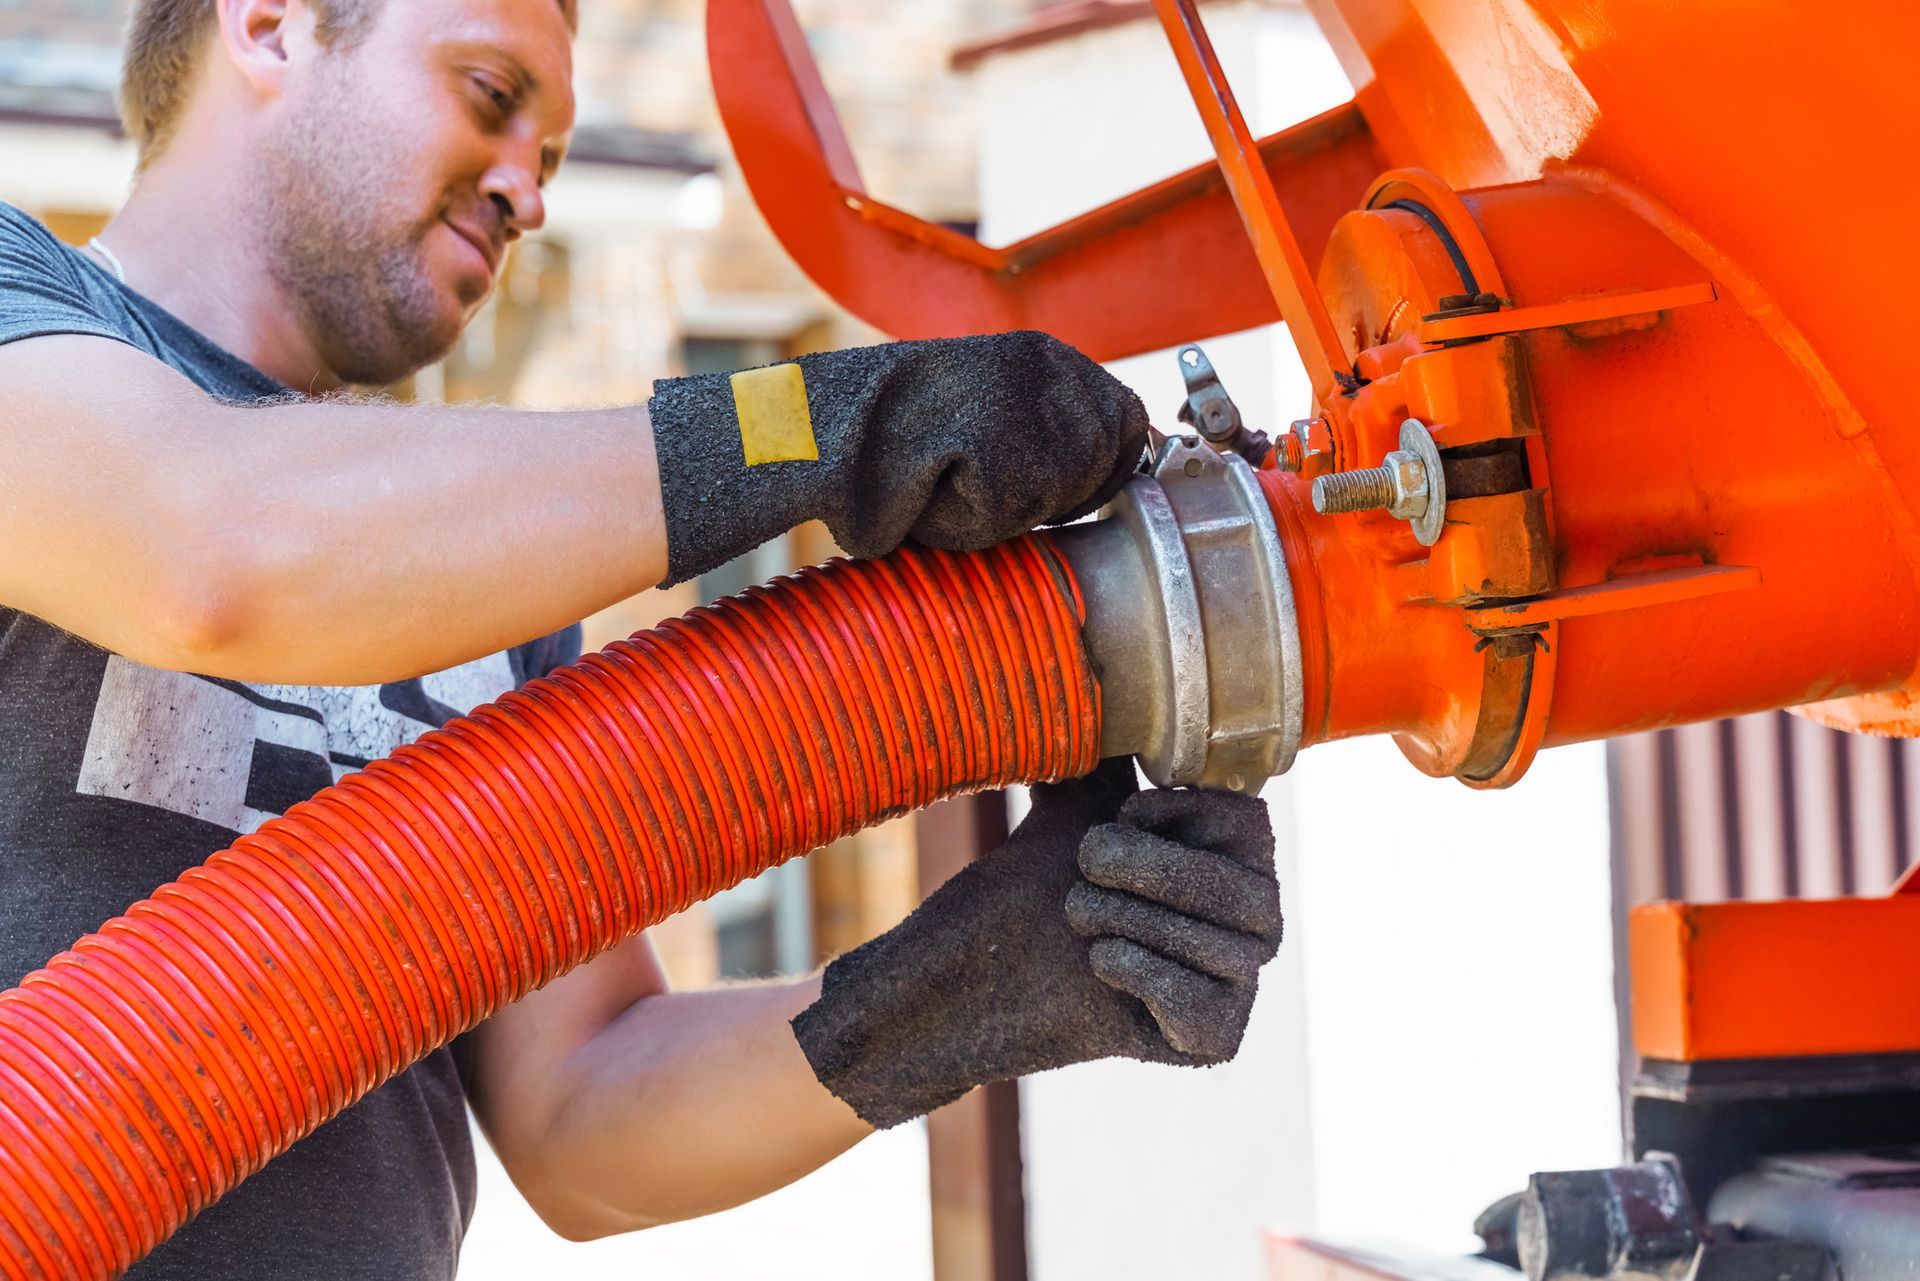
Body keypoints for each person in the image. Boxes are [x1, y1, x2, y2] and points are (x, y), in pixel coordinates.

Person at [0, 0, 1284, 1274]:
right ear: (273, 26)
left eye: (552, 158)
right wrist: (806, 427)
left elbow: (580, 1125)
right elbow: (217, 547)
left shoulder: (489, 577)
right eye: (491, 95)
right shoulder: (27, 315)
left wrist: (972, 978)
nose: (529, 192)